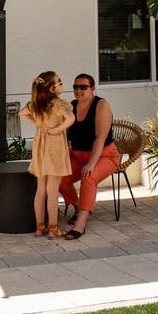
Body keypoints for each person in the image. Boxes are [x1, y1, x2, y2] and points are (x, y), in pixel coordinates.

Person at [59, 73, 119, 240]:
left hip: (104, 156)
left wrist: (91, 163)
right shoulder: (71, 107)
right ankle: (78, 207)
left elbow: (100, 138)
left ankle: (80, 224)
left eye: (83, 87)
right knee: (58, 176)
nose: (79, 90)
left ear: (92, 89)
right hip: (78, 156)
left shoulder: (101, 105)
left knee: (89, 176)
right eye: (76, 87)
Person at [20, 71, 74, 239]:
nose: (61, 84)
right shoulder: (58, 104)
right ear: (52, 88)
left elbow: (22, 113)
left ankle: (39, 227)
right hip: (54, 145)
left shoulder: (36, 104)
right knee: (53, 190)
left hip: (39, 146)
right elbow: (70, 119)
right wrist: (58, 129)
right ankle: (53, 228)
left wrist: (38, 124)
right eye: (60, 82)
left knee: (40, 189)